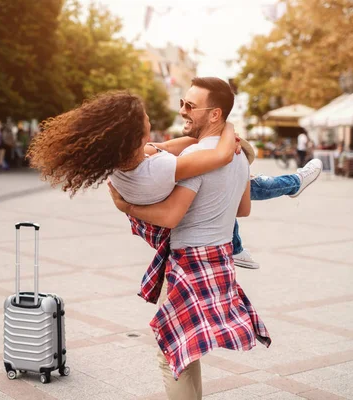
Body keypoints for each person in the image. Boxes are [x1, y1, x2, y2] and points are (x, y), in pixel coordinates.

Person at [106, 77, 270, 399]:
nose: (183, 111)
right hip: (219, 258)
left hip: (189, 262)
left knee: (172, 355)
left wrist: (127, 205)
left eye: (190, 106)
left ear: (214, 114)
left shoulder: (197, 160)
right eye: (182, 103)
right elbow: (244, 208)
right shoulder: (236, 154)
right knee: (186, 350)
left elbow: (170, 216)